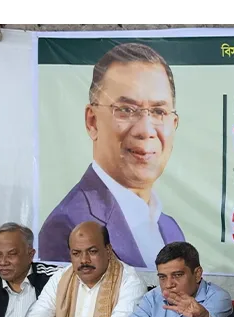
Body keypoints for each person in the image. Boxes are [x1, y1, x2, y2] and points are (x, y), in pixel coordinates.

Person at [38, 42, 185, 269]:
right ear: (92, 121)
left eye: (158, 112)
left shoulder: (169, 228)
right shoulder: (68, 224)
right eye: (126, 110)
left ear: (174, 124)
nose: (145, 130)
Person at [0, 221, 147, 317]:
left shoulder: (130, 281)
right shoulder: (61, 278)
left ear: (108, 250)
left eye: (92, 251)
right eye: (76, 253)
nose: (84, 260)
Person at [115, 242, 233, 317]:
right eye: (162, 277)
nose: (168, 285)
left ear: (197, 274)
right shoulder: (152, 297)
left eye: (177, 275)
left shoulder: (218, 298)